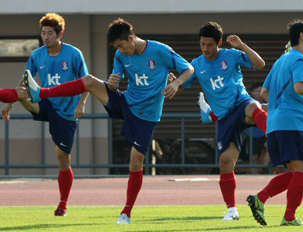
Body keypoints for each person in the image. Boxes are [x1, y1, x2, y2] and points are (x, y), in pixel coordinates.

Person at [4, 18, 194, 224]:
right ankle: (42, 92)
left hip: (146, 115)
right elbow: (115, 82)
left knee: (136, 161)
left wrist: (177, 85)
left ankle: (126, 212)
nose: (121, 51)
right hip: (126, 101)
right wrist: (113, 82)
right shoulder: (121, 55)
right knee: (89, 81)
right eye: (117, 48)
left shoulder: (160, 51)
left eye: (122, 46)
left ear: (131, 38)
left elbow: (190, 70)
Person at [0, 13, 89, 217]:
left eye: (50, 33)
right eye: (43, 33)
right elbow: (24, 81)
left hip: (66, 110)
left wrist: (82, 103)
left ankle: (63, 204)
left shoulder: (74, 54)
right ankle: (13, 99)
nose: (46, 37)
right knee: (23, 93)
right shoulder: (37, 54)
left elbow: (87, 81)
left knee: (62, 157)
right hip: (46, 102)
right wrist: (11, 102)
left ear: (60, 33)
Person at [247, 19, 303, 227]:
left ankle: (260, 198)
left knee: (296, 172)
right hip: (292, 123)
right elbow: (300, 87)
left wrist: (278, 104)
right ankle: (289, 217)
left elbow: (266, 92)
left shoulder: (280, 61)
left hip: (275, 124)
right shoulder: (300, 60)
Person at [180, 22, 267, 220]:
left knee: (254, 108)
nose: (205, 48)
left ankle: (274, 135)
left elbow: (260, 64)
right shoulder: (196, 64)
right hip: (225, 117)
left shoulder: (231, 55)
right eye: (202, 44)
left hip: (241, 102)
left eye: (209, 45)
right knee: (225, 162)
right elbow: (183, 84)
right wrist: (173, 81)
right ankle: (232, 210)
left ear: (218, 43)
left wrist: (242, 45)